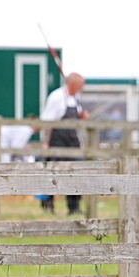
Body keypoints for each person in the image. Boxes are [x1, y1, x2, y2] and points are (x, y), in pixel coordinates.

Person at [40, 72, 89, 215]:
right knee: (53, 172)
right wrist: (46, 142)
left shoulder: (76, 98)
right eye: (80, 86)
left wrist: (82, 116)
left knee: (77, 171)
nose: (81, 89)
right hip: (57, 139)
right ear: (73, 84)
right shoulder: (56, 97)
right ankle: (48, 206)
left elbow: (78, 116)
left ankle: (74, 207)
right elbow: (46, 121)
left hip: (73, 140)